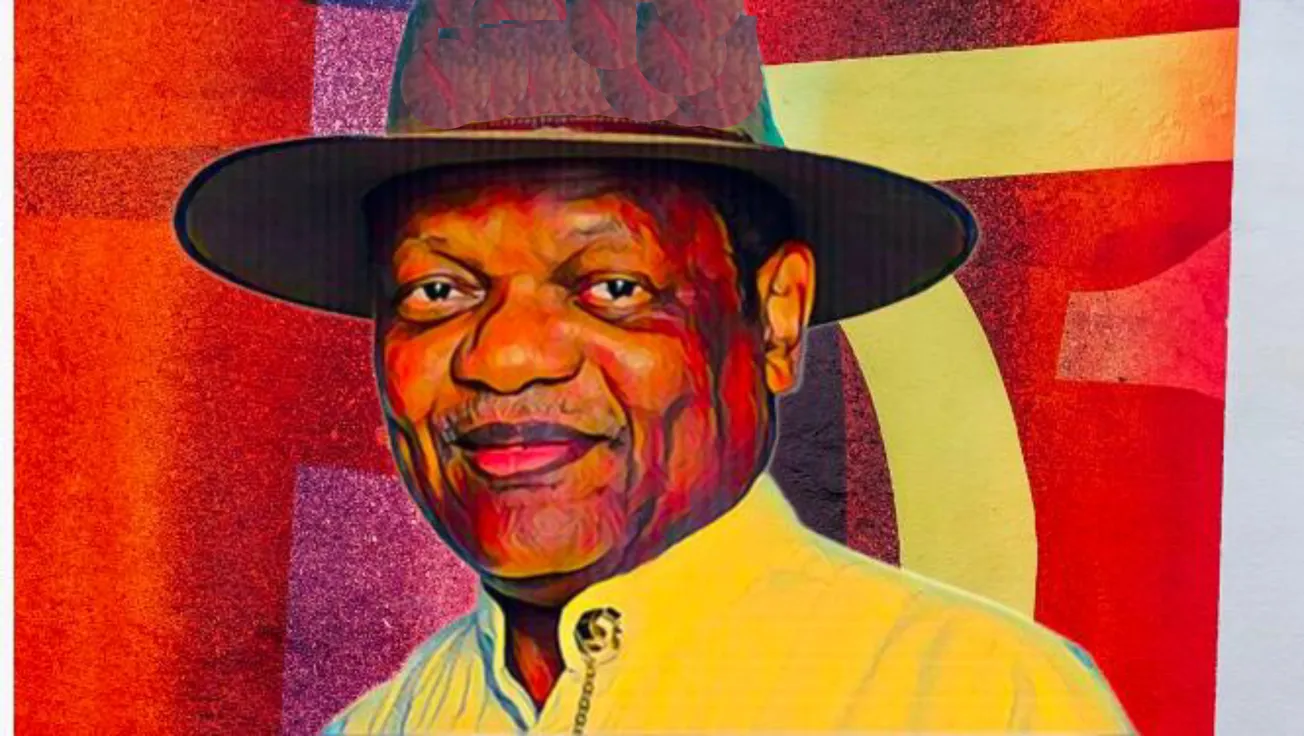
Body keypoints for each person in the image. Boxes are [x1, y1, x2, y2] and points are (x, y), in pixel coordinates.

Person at [173, 5, 1133, 734]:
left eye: (612, 286)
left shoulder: (976, 701)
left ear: (776, 316)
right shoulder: (384, 726)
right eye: (437, 290)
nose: (505, 356)